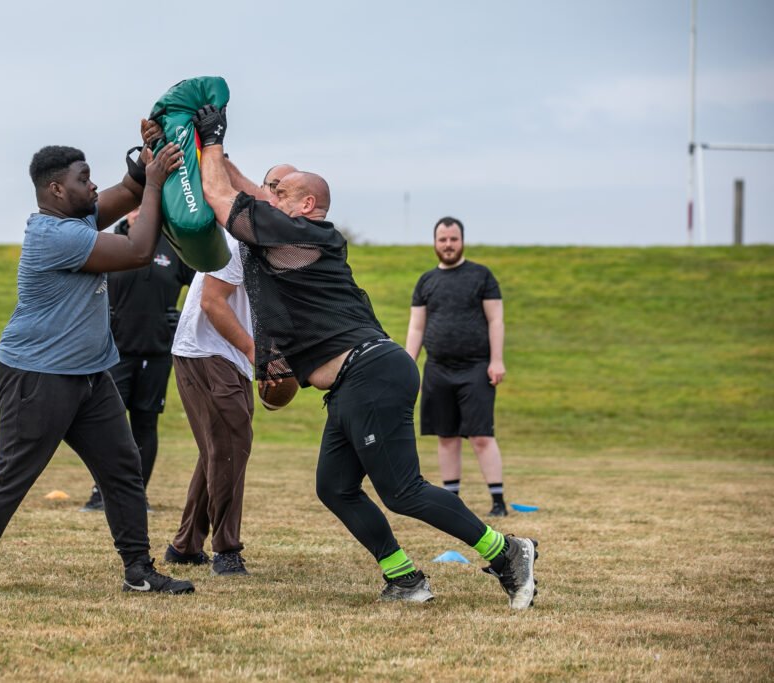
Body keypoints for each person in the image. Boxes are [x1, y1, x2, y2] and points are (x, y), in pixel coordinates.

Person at [191, 104, 538, 608]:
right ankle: (404, 578)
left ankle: (507, 552)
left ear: (307, 204)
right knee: (335, 487)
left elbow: (221, 197)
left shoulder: (298, 233)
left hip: (369, 374)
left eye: (280, 193)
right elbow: (246, 193)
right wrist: (207, 148)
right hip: (354, 381)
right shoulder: (293, 228)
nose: (270, 198)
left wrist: (212, 138)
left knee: (403, 490)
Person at [0, 126, 195, 596]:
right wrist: (157, 183)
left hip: (89, 374)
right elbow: (139, 250)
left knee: (123, 467)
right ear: (56, 189)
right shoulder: (56, 236)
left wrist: (151, 154)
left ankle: (138, 571)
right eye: (83, 178)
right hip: (38, 374)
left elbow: (130, 189)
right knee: (14, 475)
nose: (93, 185)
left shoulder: (78, 220)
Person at [81, 207, 195, 513]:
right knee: (109, 425)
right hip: (113, 353)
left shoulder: (173, 247)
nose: (139, 212)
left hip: (157, 352)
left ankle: (136, 495)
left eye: (147, 207)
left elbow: (204, 285)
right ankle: (101, 493)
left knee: (146, 424)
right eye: (134, 206)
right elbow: (84, 287)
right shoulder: (110, 244)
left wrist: (182, 319)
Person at [163, 228, 256, 576]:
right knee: (231, 444)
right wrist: (253, 350)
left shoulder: (280, 242)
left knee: (220, 448)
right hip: (206, 350)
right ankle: (226, 549)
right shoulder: (238, 242)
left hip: (232, 357)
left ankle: (185, 545)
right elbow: (211, 301)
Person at [405, 217, 510, 517]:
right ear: (435, 243)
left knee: (481, 436)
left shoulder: (481, 276)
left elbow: (496, 320)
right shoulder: (426, 281)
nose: (448, 245)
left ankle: (498, 502)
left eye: (453, 239)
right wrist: (408, 366)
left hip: (477, 368)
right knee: (446, 435)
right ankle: (453, 502)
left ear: (462, 241)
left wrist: (497, 360)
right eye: (443, 240)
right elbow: (416, 327)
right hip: (438, 369)